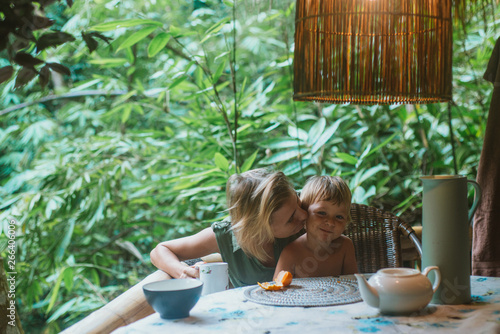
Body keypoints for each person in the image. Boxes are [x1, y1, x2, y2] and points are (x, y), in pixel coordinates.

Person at [150, 168, 308, 288]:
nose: (305, 215)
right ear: (259, 227)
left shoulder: (314, 209)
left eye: (298, 202)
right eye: (291, 219)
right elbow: (160, 250)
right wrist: (183, 272)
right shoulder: (228, 236)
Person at [274, 175, 358, 278]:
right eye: (322, 213)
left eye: (339, 217)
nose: (331, 222)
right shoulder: (290, 253)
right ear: (305, 213)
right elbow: (277, 290)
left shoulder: (345, 246)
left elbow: (354, 285)